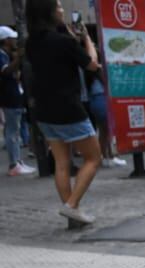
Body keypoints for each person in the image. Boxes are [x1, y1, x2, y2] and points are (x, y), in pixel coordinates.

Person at [26, 0, 101, 225]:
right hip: (69, 108)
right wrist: (87, 40)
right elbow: (92, 65)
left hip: (45, 109)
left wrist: (70, 37)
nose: (61, 10)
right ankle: (71, 205)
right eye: (58, 6)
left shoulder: (32, 42)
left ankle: (72, 214)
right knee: (93, 158)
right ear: (48, 11)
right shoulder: (64, 42)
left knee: (62, 163)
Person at [0, 25, 35, 176]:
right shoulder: (1, 55)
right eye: (12, 38)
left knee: (15, 129)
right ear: (6, 40)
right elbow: (6, 71)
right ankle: (14, 164)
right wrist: (19, 58)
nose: (15, 41)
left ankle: (18, 162)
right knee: (13, 131)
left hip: (13, 96)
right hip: (9, 97)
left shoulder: (6, 55)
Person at [86, 62, 126, 168]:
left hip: (94, 101)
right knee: (107, 131)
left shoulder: (90, 75)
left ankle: (104, 156)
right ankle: (110, 156)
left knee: (102, 131)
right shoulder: (99, 71)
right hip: (102, 100)